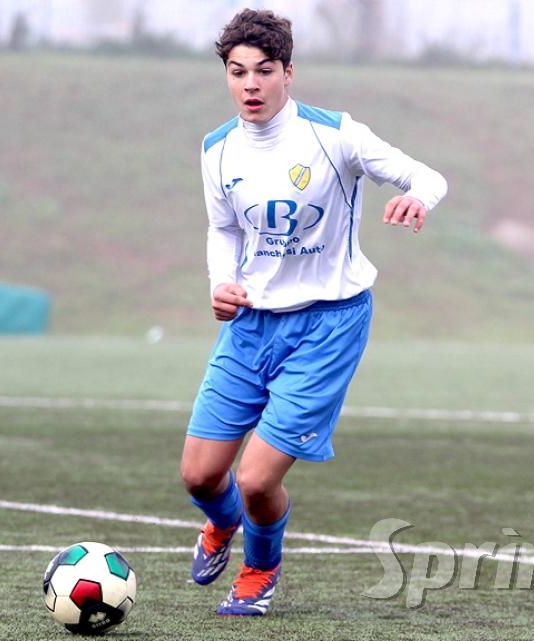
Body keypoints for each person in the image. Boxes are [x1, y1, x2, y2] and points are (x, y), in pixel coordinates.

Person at [180, 8, 447, 617]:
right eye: (237, 72)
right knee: (199, 476)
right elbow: (223, 229)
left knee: (256, 479)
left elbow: (426, 176)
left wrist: (416, 197)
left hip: (328, 326)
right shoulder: (217, 149)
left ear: (288, 72)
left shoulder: (335, 135)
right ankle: (221, 521)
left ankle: (260, 569)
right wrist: (222, 283)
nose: (250, 85)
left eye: (264, 71)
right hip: (251, 325)